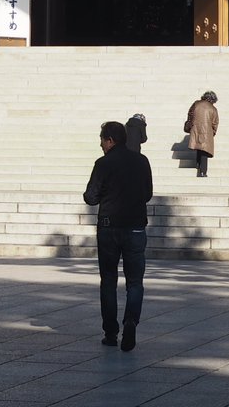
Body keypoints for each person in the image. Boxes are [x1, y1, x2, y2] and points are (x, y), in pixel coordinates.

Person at [83, 120, 153, 352]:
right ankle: (131, 320)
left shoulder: (103, 163)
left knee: (109, 280)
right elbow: (148, 193)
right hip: (134, 227)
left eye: (102, 140)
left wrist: (105, 194)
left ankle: (111, 332)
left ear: (110, 140)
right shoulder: (142, 161)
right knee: (135, 281)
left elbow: (91, 197)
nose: (100, 144)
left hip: (109, 227)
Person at [184, 92, 217, 176]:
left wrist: (189, 125)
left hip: (195, 128)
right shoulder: (213, 108)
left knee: (199, 146)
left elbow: (190, 114)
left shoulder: (196, 104)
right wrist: (213, 132)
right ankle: (203, 172)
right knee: (204, 151)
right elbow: (215, 123)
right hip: (207, 131)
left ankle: (198, 164)